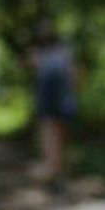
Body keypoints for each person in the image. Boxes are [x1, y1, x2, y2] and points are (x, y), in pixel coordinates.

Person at [30, 25, 77, 181]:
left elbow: (33, 67)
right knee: (59, 135)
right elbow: (74, 75)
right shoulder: (65, 53)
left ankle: (52, 166)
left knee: (49, 134)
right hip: (63, 100)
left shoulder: (39, 54)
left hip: (50, 100)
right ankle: (57, 167)